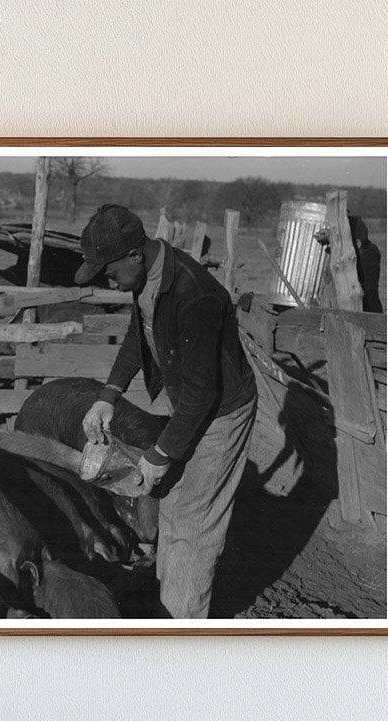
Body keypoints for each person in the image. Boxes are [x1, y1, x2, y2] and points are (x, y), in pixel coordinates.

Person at [74, 204, 257, 619]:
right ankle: (168, 605)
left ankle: (181, 628)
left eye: (108, 269)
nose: (107, 278)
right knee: (172, 502)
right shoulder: (148, 279)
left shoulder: (196, 294)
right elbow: (137, 336)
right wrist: (108, 396)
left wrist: (160, 454)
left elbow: (202, 394)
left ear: (135, 255)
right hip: (192, 403)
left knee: (194, 524)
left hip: (221, 412)